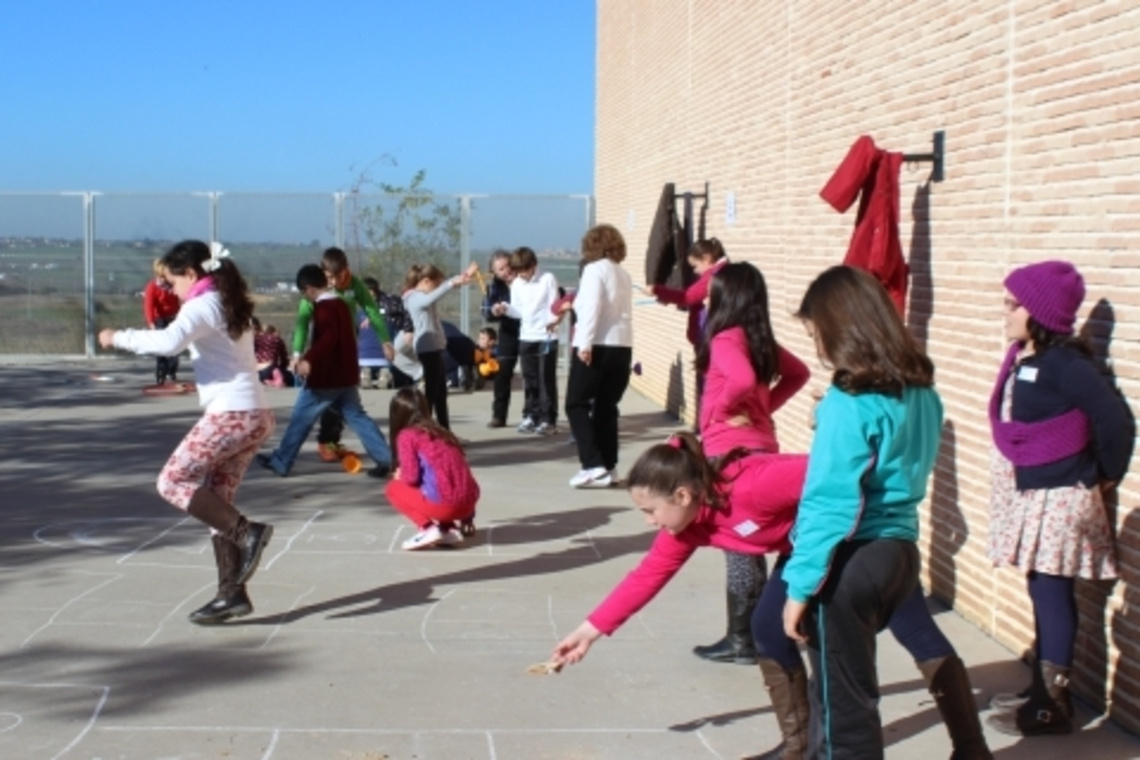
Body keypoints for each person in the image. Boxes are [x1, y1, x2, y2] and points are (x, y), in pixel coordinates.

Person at [780, 265, 948, 759]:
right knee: (845, 699)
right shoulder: (922, 393)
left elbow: (830, 503)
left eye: (817, 335)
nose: (818, 348)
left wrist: (800, 585)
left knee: (842, 713)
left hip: (852, 560)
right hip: (898, 552)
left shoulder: (847, 403)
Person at [985, 261, 1132, 736]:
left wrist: (1104, 476)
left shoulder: (1067, 365)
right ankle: (1042, 687)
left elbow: (1116, 422)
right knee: (1039, 584)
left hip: (1061, 496)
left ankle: (1053, 706)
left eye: (1014, 305)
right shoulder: (1026, 358)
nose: (1005, 313)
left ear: (1041, 313)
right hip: (1035, 493)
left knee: (1051, 589)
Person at [99, 240, 274, 625]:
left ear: (191, 274)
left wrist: (118, 337)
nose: (170, 291)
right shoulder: (226, 300)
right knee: (215, 501)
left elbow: (167, 342)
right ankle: (231, 594)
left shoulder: (201, 304)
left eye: (172, 282)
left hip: (232, 413)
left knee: (172, 481)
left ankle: (248, 533)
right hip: (254, 413)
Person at [549, 433, 807, 692]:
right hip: (802, 550)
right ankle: (799, 732)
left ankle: (834, 719)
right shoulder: (686, 525)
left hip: (836, 538)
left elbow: (836, 474)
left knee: (817, 631)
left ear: (682, 496)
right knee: (769, 628)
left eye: (650, 511)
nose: (649, 521)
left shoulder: (753, 486)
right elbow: (647, 576)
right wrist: (587, 633)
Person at [691, 262, 811, 666]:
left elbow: (740, 381)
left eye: (712, 292)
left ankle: (741, 638)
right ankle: (756, 631)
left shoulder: (726, 337)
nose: (706, 299)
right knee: (754, 537)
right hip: (761, 446)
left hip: (729, 453)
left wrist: (722, 412)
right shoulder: (758, 339)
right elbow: (799, 374)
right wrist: (764, 408)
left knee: (737, 544)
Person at [256, 265, 393, 479]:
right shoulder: (341, 304)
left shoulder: (324, 308)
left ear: (309, 288)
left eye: (303, 293)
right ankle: (386, 458)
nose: (304, 298)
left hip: (327, 377)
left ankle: (282, 461)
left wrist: (308, 359)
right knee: (357, 416)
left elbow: (328, 339)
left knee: (301, 418)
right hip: (345, 374)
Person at [290, 247, 393, 462]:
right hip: (322, 352)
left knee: (342, 402)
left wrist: (385, 340)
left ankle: (323, 443)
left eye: (339, 276)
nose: (334, 282)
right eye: (329, 277)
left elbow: (372, 311)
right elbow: (302, 323)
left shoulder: (355, 286)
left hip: (345, 350)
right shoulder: (314, 290)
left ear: (347, 270)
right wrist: (298, 353)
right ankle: (324, 442)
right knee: (332, 400)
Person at [565, 224, 634, 488]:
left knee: (576, 404)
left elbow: (592, 306)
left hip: (597, 344)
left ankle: (592, 465)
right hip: (622, 346)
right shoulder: (623, 273)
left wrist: (584, 342)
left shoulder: (595, 270)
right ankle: (609, 465)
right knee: (607, 407)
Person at [386, 387, 481, 550]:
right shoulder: (441, 431)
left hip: (445, 507)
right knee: (440, 480)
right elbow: (460, 473)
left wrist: (399, 475)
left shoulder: (407, 435)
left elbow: (411, 477)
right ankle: (449, 529)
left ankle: (427, 528)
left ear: (396, 414)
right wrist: (468, 518)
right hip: (468, 504)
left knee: (393, 489)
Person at [402, 262, 478, 429]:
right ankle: (425, 428)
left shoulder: (421, 296)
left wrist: (464, 276)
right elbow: (433, 296)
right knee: (431, 392)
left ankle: (444, 429)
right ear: (427, 281)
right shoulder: (414, 298)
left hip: (434, 348)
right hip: (427, 349)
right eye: (435, 285)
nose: (436, 289)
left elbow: (440, 292)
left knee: (440, 394)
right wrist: (450, 283)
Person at [498, 246, 560, 435]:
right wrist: (505, 309)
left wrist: (551, 323)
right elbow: (519, 311)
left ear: (533, 265)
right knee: (530, 379)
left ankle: (548, 419)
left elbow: (554, 306)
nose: (521, 275)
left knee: (545, 379)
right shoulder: (517, 283)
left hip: (546, 337)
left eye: (524, 270)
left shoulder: (547, 279)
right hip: (526, 336)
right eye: (518, 271)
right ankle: (530, 416)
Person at [483, 249, 521, 428]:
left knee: (533, 375)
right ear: (495, 273)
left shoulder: (526, 279)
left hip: (531, 331)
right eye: (501, 269)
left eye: (508, 266)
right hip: (508, 332)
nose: (506, 271)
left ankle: (534, 414)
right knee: (502, 373)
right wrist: (494, 310)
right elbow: (486, 311)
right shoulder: (494, 287)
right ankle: (499, 415)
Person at [363, 275, 417, 389]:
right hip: (393, 334)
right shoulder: (367, 304)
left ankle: (383, 372)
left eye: (370, 293)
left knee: (394, 352)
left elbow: (394, 313)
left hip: (399, 331)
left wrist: (373, 316)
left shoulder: (389, 300)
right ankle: (377, 372)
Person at [142, 258, 182, 385]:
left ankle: (172, 370)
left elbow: (180, 300)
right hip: (160, 319)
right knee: (161, 347)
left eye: (165, 276)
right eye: (161, 276)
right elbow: (149, 305)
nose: (164, 279)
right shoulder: (152, 287)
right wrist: (151, 322)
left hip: (174, 317)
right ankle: (161, 372)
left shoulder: (174, 286)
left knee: (175, 346)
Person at [252, 317, 293, 388]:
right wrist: (283, 366)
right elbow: (284, 357)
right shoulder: (278, 340)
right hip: (272, 366)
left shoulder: (255, 340)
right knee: (286, 375)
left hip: (258, 369)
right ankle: (277, 378)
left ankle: (268, 380)